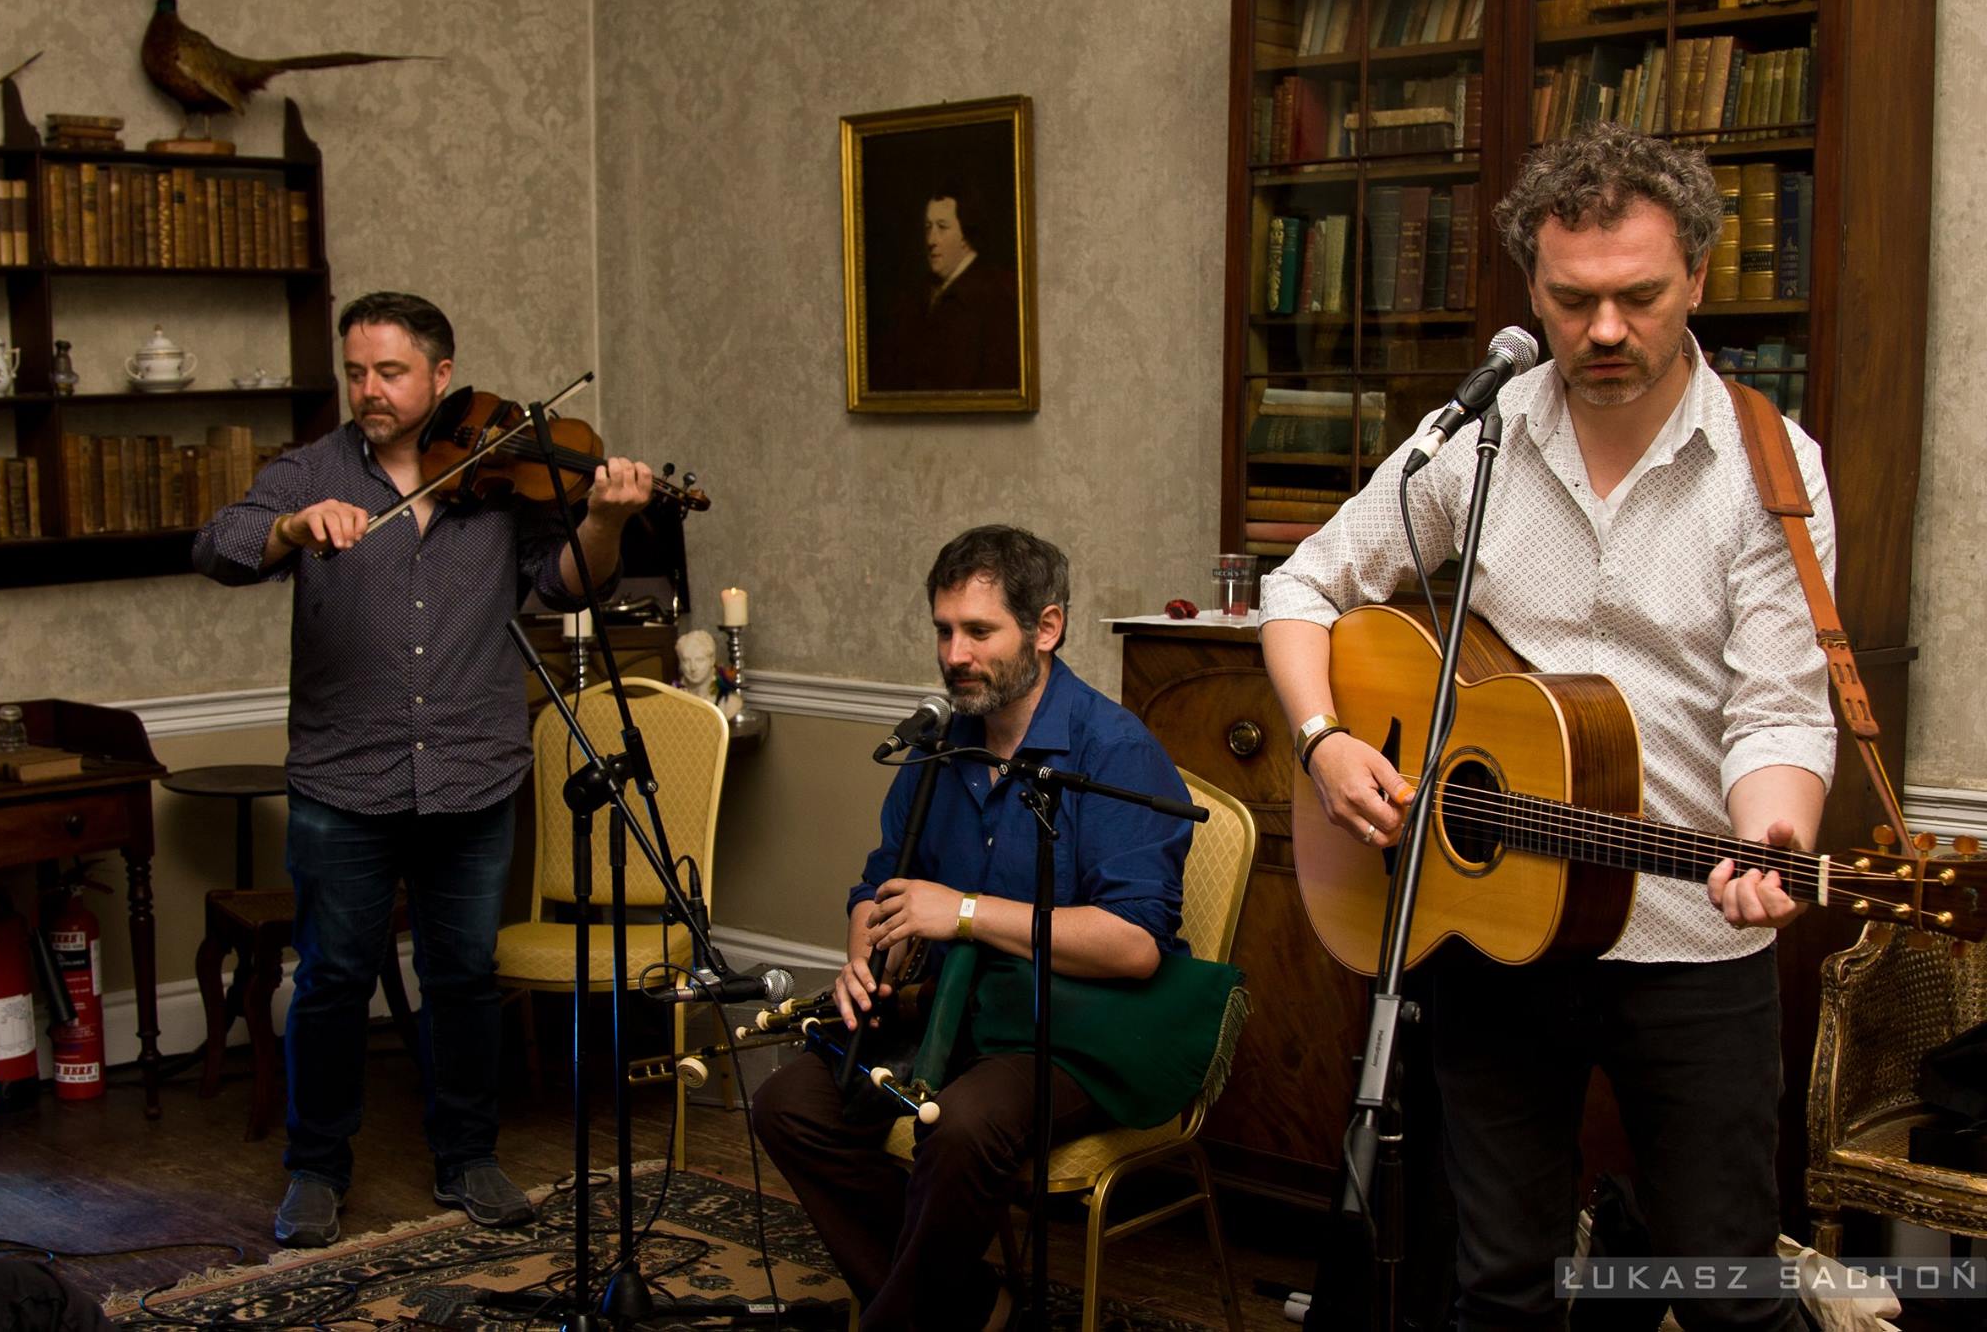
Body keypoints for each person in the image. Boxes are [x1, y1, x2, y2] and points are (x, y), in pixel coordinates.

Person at [1259, 122, 1834, 1332]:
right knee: (1497, 1289)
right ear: (1531, 289)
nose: (1606, 331)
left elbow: (1779, 701)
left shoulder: (1769, 467)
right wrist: (1322, 741)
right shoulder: (1471, 444)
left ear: (1696, 276)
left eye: (1638, 296)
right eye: (1573, 302)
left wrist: (1768, 836)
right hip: (1493, 929)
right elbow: (1302, 588)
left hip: (1688, 932)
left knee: (1726, 1295)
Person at [192, 291, 654, 1248]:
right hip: (342, 776)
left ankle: (468, 1155)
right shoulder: (311, 469)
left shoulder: (501, 466)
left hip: (472, 770)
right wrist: (289, 530)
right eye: (355, 371)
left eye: (390, 372)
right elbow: (219, 545)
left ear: (441, 375)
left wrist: (606, 519)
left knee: (463, 977)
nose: (369, 389)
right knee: (329, 980)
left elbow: (571, 582)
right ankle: (316, 1169)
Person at [752, 525, 1191, 1332]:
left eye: (979, 631)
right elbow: (881, 878)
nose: (955, 653)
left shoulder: (1115, 749)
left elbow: (1134, 944)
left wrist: (958, 911)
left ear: (1046, 628)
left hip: (1072, 1028)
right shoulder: (941, 744)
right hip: (957, 1010)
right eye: (944, 630)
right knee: (789, 1102)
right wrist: (864, 951)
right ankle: (964, 1302)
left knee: (957, 1125)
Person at [871, 181, 1021, 392]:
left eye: (942, 227)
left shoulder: (995, 295)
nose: (931, 240)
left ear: (966, 235)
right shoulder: (918, 296)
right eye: (927, 227)